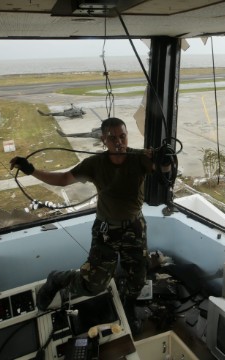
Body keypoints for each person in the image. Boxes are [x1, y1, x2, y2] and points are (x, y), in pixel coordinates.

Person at [10, 117, 154, 331]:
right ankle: (58, 278)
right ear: (103, 139)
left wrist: (164, 158)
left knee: (138, 279)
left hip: (134, 228)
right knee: (93, 285)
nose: (118, 142)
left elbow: (163, 168)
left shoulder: (139, 158)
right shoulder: (94, 164)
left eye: (122, 136)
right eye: (112, 138)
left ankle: (129, 306)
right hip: (107, 231)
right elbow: (63, 179)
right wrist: (31, 170)